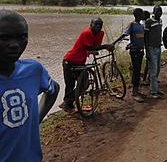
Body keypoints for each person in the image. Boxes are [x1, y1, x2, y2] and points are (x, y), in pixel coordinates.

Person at [0, 10, 59, 162]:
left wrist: (36, 118)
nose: (14, 45)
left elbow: (54, 89)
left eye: (22, 37)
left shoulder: (33, 70)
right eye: (4, 37)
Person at [59, 18, 114, 112]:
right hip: (70, 61)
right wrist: (105, 46)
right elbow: (89, 47)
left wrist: (94, 50)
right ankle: (68, 104)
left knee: (85, 83)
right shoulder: (86, 33)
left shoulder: (101, 33)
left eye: (100, 25)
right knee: (70, 85)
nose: (98, 27)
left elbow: (94, 47)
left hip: (80, 62)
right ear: (91, 24)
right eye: (96, 25)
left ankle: (67, 103)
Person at [114, 8, 145, 103]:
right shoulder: (132, 25)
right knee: (136, 71)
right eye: (141, 14)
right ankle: (134, 93)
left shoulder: (141, 26)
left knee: (138, 70)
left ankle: (136, 88)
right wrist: (114, 42)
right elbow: (124, 35)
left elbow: (142, 38)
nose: (143, 15)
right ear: (138, 15)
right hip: (134, 51)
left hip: (140, 51)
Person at [144, 5, 163, 98]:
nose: (159, 13)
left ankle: (155, 89)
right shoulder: (148, 22)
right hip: (151, 48)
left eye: (160, 11)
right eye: (157, 11)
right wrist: (147, 51)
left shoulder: (160, 21)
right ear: (153, 12)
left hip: (158, 48)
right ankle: (153, 92)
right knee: (153, 70)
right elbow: (145, 37)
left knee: (158, 69)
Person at [141, 10, 150, 83]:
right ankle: (145, 78)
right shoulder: (143, 24)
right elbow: (142, 35)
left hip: (146, 44)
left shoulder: (144, 23)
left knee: (149, 62)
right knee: (148, 62)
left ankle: (146, 78)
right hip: (145, 45)